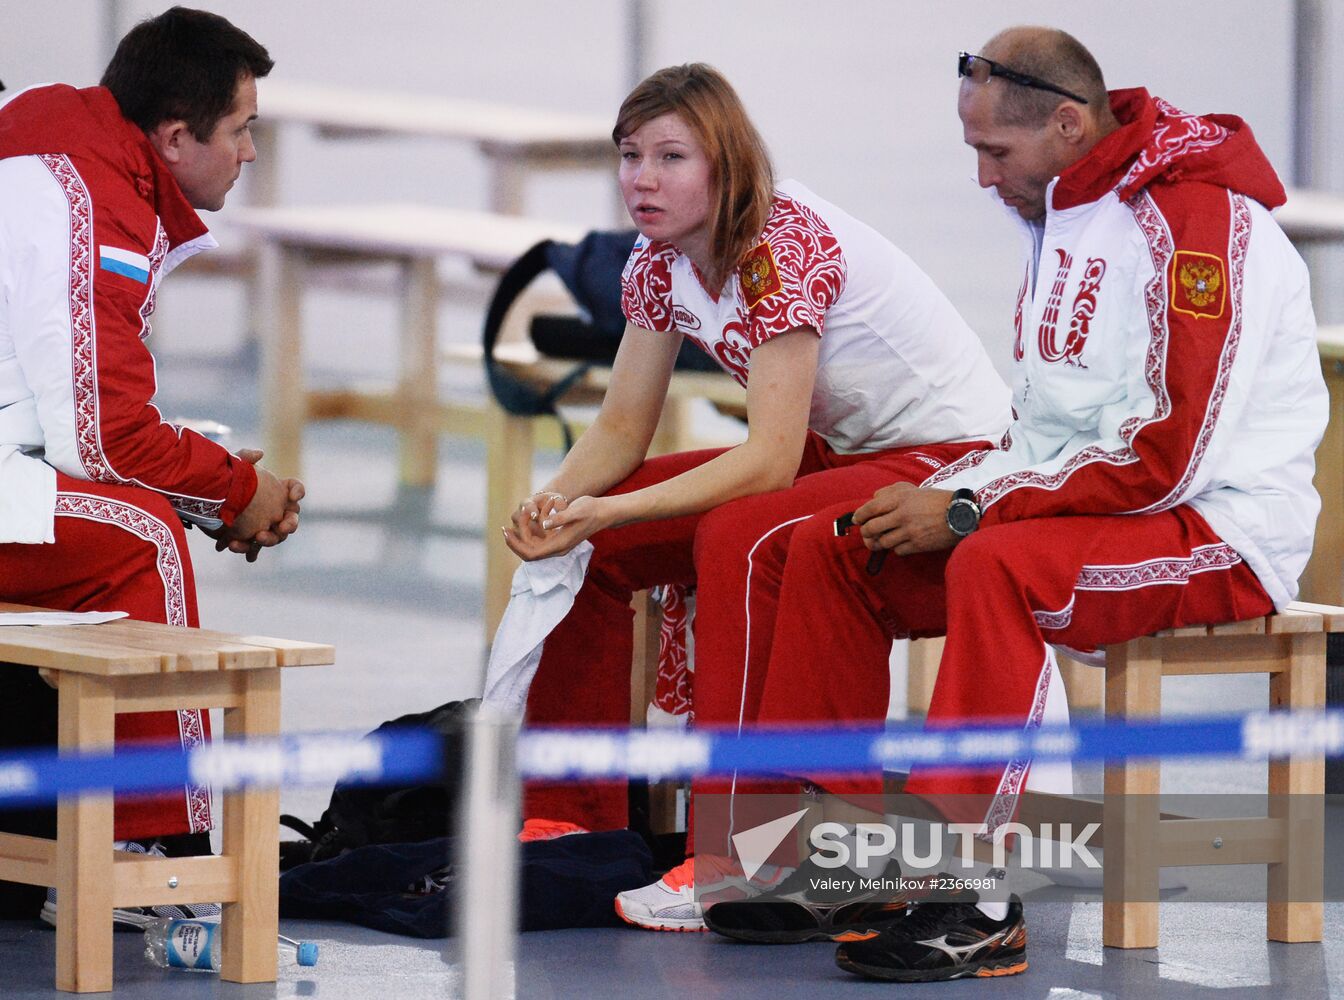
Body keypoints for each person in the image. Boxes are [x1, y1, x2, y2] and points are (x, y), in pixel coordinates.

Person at [702, 26, 1328, 982]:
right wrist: (957, 491)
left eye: (995, 152)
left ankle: (982, 899)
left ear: (1070, 125)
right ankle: (843, 858)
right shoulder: (1065, 213)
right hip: (1101, 512)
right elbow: (1043, 438)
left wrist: (967, 514)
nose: (983, 178)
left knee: (993, 566)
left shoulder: (1197, 224)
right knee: (841, 544)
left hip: (1222, 529)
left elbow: (1171, 453)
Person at [499, 63, 1011, 931]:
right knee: (589, 546)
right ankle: (569, 822)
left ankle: (738, 851)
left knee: (738, 536)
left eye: (672, 156)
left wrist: (614, 505)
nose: (644, 179)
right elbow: (622, 430)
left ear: (727, 166)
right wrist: (556, 505)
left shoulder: (783, 245)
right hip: (845, 450)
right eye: (630, 156)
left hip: (951, 456)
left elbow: (769, 463)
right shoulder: (657, 261)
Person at [0, 6, 301, 916]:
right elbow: (103, 439)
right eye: (242, 129)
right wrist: (238, 490)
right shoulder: (95, 203)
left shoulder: (62, 143)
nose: (249, 152)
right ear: (174, 137)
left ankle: (68, 830)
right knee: (143, 536)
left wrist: (214, 481)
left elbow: (60, 411)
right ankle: (155, 849)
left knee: (152, 506)